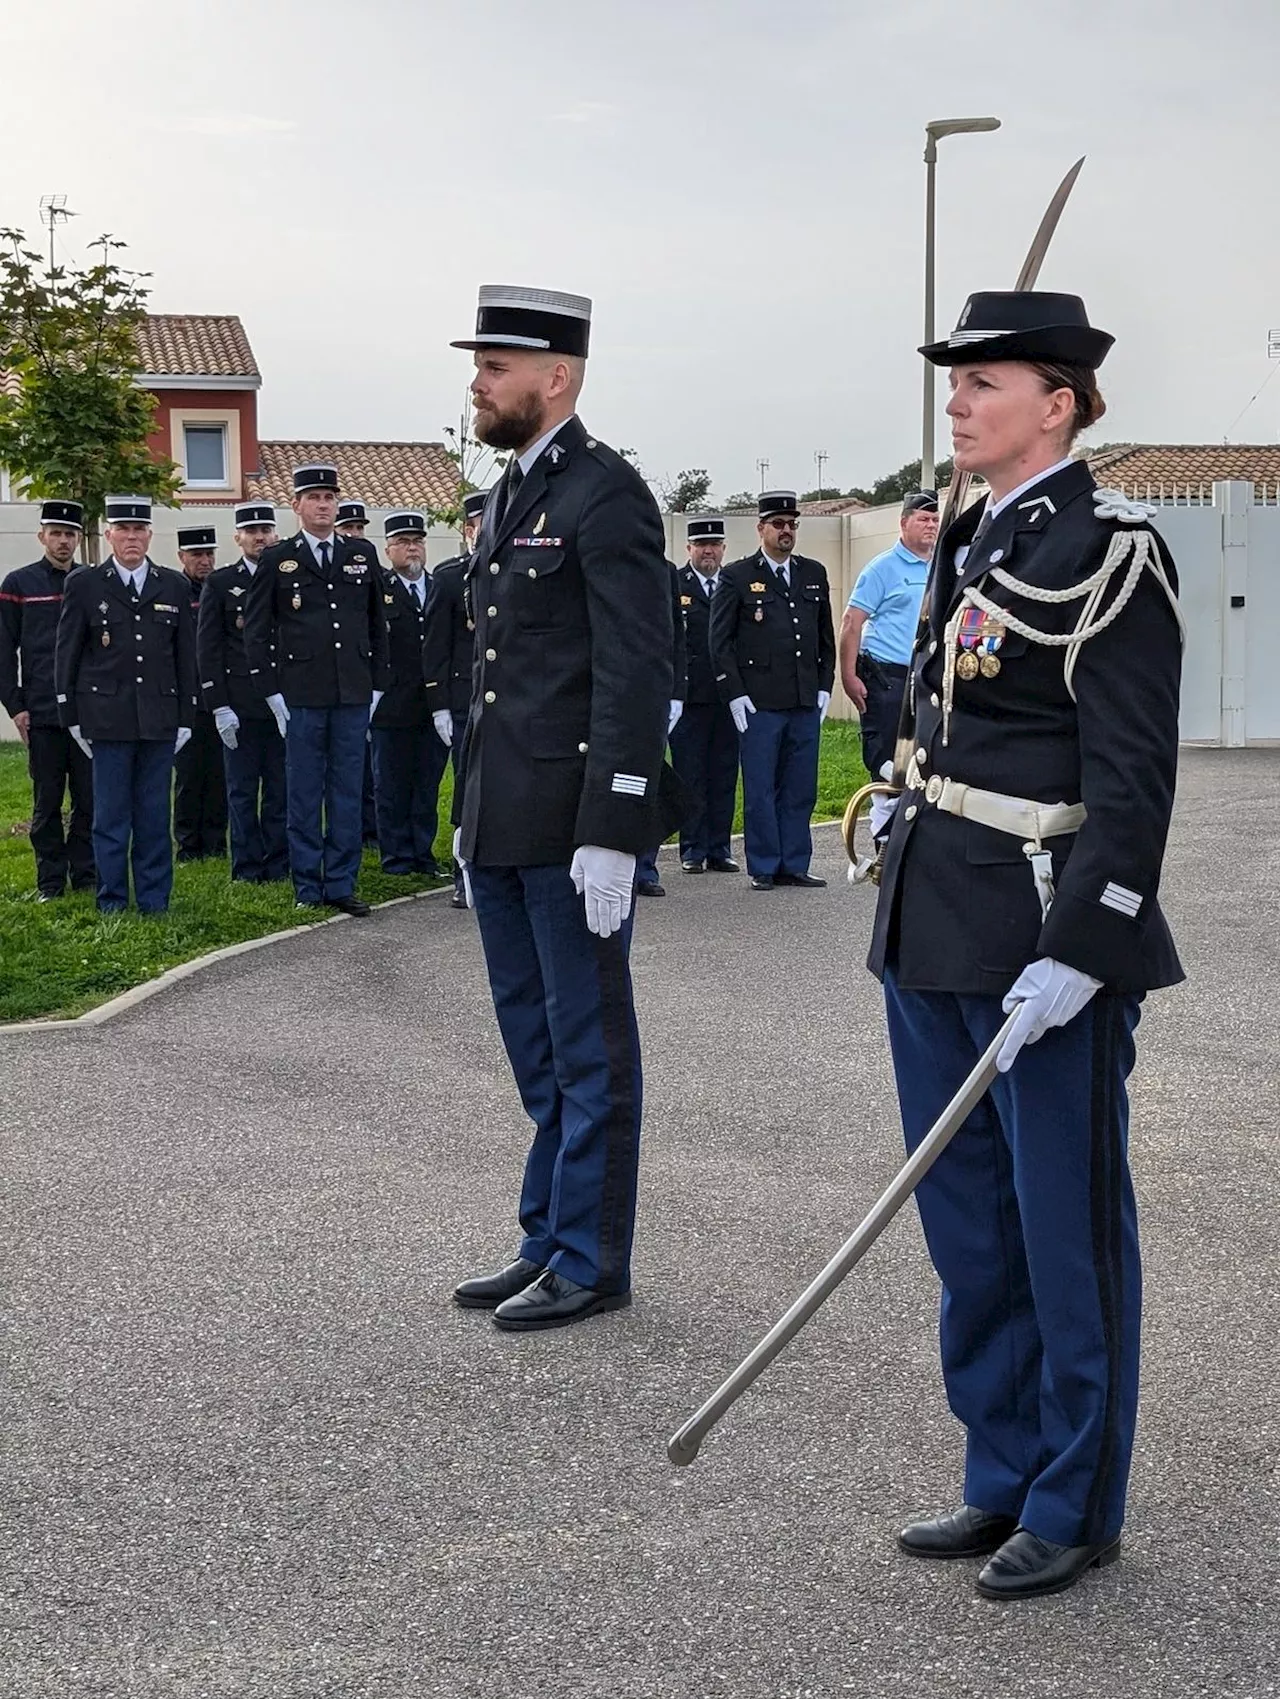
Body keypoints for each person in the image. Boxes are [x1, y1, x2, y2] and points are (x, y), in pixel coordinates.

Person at [867, 291, 1184, 1601]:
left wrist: (1084, 946)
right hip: (933, 921)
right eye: (955, 382)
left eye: (983, 381)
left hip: (1039, 945)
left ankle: (1074, 1500)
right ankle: (1000, 1468)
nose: (958, 400)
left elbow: (1133, 781)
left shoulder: (1111, 550)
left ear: (1057, 401)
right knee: (974, 1233)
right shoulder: (971, 538)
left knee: (1067, 1234)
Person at [447, 283, 678, 1332]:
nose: (478, 383)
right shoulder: (508, 494)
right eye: (479, 366)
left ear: (557, 377)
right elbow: (498, 674)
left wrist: (613, 829)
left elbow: (636, 673)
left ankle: (592, 1257)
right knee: (535, 1046)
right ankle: (547, 1234)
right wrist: (468, 814)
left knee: (589, 1050)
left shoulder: (605, 494)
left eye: (495, 367)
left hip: (572, 828)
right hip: (504, 816)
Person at [242, 464, 390, 917]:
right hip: (301, 695)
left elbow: (377, 626)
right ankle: (307, 883)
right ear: (297, 506)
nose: (325, 505)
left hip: (351, 693)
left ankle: (341, 881)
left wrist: (378, 686)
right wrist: (271, 694)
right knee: (303, 793)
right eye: (315, 498)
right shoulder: (276, 559)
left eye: (330, 497)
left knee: (347, 791)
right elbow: (256, 631)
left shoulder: (361, 554)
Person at [53, 495, 197, 914]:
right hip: (107, 717)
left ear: (150, 535)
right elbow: (69, 653)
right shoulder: (84, 584)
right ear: (109, 534)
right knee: (111, 818)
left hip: (159, 716)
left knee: (154, 816)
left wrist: (186, 714)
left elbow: (185, 656)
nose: (131, 537)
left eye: (140, 530)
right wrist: (72, 716)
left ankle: (154, 901)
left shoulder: (173, 584)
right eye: (124, 530)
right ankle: (111, 900)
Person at [709, 491, 835, 891]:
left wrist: (825, 686)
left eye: (792, 524)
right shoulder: (738, 576)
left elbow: (824, 637)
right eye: (778, 524)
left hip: (802, 698)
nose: (786, 531)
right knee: (761, 787)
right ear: (761, 528)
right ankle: (764, 864)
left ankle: (795, 862)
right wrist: (734, 693)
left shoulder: (812, 573)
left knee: (800, 786)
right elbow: (720, 642)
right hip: (759, 701)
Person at [0, 499, 95, 899]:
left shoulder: (92, 582)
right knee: (47, 802)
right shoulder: (18, 585)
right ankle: (50, 882)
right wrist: (16, 707)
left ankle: (87, 875)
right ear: (41, 536)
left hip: (90, 712)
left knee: (90, 799)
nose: (62, 541)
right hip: (41, 712)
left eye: (69, 534)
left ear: (78, 539)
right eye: (55, 533)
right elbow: (4, 651)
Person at [196, 500, 288, 883]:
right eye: (252, 532)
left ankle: (280, 864)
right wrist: (218, 705)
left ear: (276, 534)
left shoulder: (289, 577)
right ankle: (247, 867)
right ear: (238, 538)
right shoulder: (220, 584)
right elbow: (209, 648)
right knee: (242, 792)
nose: (260, 538)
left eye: (265, 530)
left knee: (282, 791)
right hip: (240, 705)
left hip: (283, 704)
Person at [839, 491, 938, 781]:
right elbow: (851, 622)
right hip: (888, 677)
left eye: (935, 519)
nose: (931, 525)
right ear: (904, 522)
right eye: (923, 519)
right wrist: (848, 677)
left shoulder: (943, 567)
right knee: (888, 764)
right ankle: (884, 824)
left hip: (927, 674)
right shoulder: (882, 568)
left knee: (924, 759)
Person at [370, 510, 447, 875]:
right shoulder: (378, 590)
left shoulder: (438, 587)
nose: (411, 549)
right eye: (402, 542)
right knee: (391, 785)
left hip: (432, 705)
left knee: (426, 783)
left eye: (417, 542)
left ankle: (422, 852)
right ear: (388, 551)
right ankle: (397, 857)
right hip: (391, 706)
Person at [422, 488, 486, 909]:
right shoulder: (448, 577)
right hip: (464, 699)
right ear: (467, 530)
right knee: (466, 786)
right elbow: (435, 646)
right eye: (482, 523)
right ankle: (464, 869)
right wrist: (439, 704)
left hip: (508, 699)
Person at [671, 517, 739, 875]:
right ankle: (692, 848)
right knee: (690, 774)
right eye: (701, 545)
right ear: (689, 550)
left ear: (724, 548)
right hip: (689, 697)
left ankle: (720, 847)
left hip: (727, 698)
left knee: (724, 774)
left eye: (714, 544)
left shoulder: (733, 584)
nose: (708, 551)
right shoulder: (676, 585)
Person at [173, 525, 228, 861]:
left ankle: (216, 840)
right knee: (190, 775)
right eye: (197, 555)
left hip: (220, 695)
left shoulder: (221, 589)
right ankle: (188, 844)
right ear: (182, 557)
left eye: (209, 554)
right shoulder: (175, 591)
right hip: (187, 698)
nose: (205, 561)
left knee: (220, 774)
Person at [635, 561, 688, 897]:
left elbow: (675, 635)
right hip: (601, 688)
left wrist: (677, 691)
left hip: (651, 688)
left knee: (649, 779)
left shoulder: (663, 571)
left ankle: (644, 868)